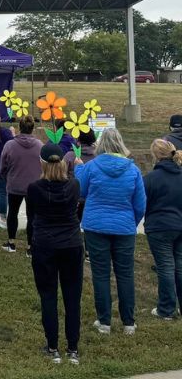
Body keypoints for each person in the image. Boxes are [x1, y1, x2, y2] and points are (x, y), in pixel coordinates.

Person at [75, 127, 145, 334]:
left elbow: (80, 190)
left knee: (101, 274)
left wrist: (78, 168)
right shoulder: (133, 170)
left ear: (101, 144)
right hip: (124, 228)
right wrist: (131, 223)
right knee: (125, 274)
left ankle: (104, 321)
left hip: (96, 226)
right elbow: (140, 204)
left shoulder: (93, 166)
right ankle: (128, 322)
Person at [26, 143, 85, 364]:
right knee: (72, 297)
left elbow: (31, 218)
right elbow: (78, 213)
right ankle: (73, 348)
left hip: (45, 244)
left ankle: (53, 347)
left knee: (48, 296)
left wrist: (30, 242)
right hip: (71, 243)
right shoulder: (74, 186)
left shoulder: (34, 188)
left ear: (41, 163)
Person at [142, 139, 182, 320]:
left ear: (156, 156)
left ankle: (166, 308)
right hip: (180, 224)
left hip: (159, 227)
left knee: (165, 267)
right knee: (180, 266)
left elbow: (142, 203)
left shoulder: (150, 178)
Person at [0, 116, 43, 254]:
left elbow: (2, 167)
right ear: (33, 128)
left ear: (19, 127)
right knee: (33, 216)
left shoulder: (10, 145)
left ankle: (11, 242)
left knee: (12, 213)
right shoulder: (40, 145)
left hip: (14, 184)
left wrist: (7, 177)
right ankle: (31, 247)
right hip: (33, 186)